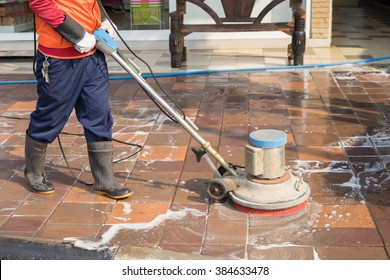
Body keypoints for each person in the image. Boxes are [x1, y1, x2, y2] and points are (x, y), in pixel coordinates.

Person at [25, 0, 132, 199]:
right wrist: (78, 34)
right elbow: (39, 2)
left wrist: (103, 20)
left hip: (93, 57)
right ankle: (34, 172)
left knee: (98, 113)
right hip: (59, 61)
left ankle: (105, 181)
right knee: (50, 116)